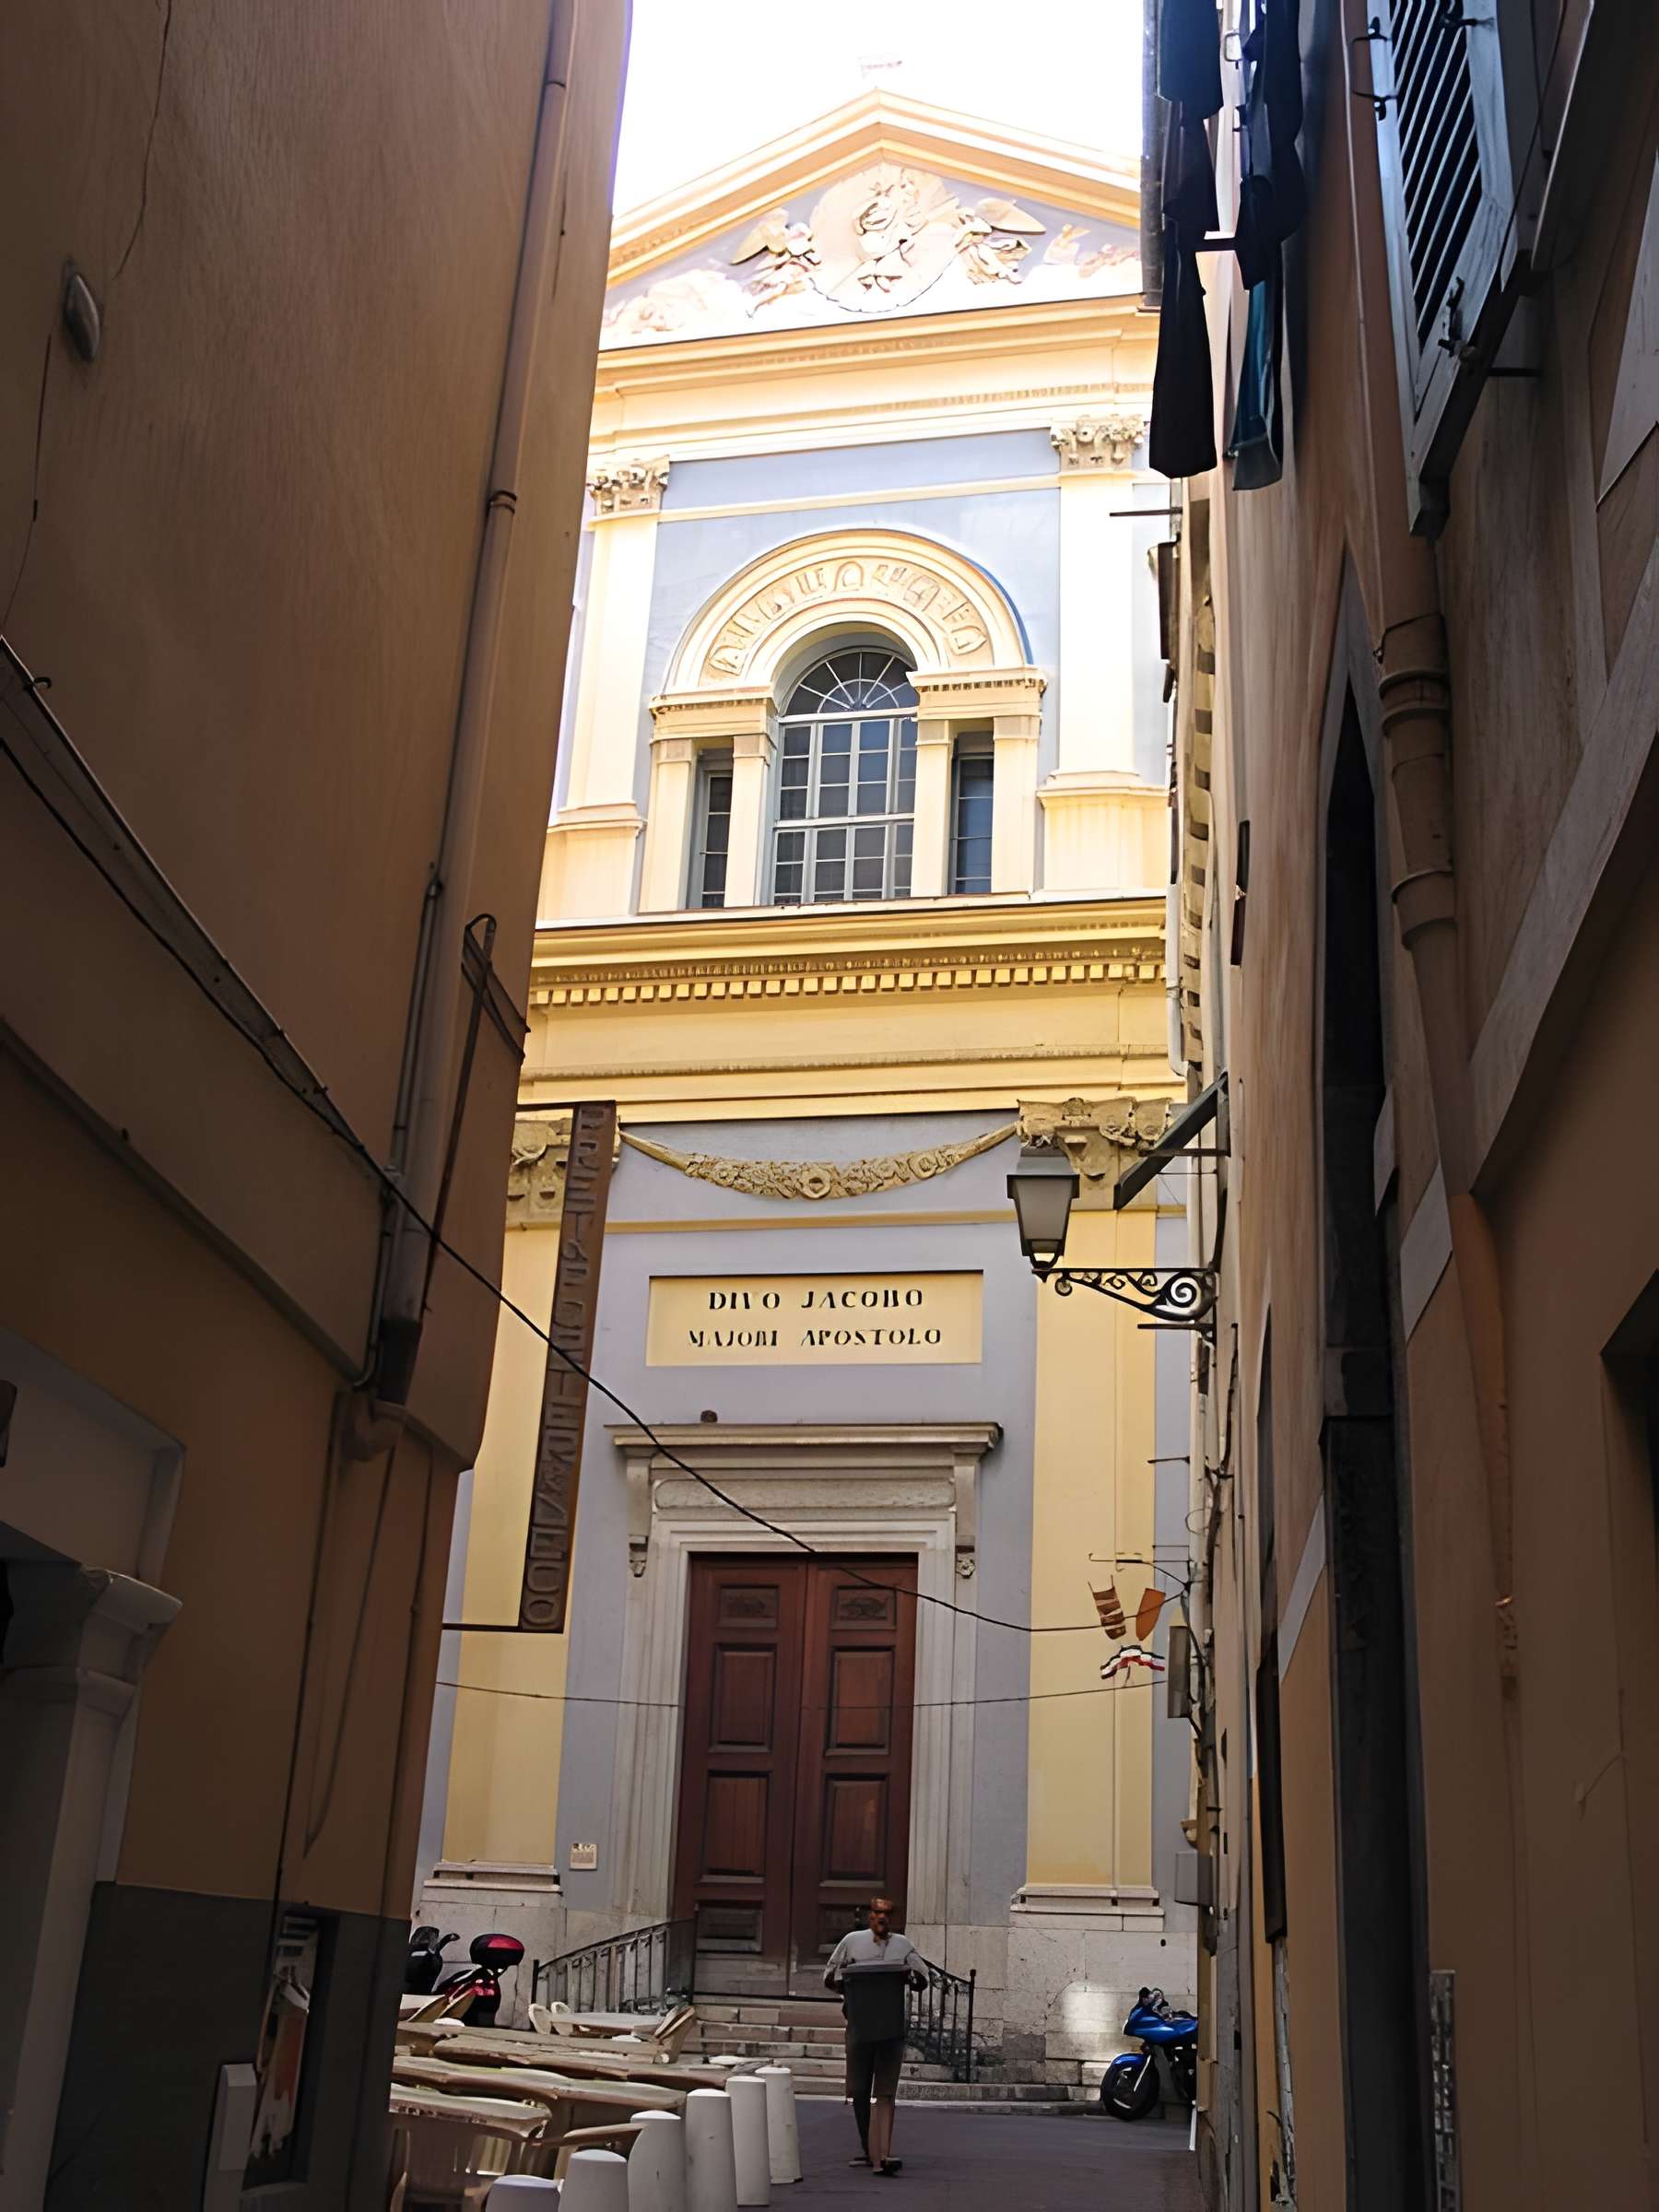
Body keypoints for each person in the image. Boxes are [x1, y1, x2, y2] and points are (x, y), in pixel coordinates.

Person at [823, 1895, 925, 2176]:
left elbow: (921, 1974)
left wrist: (912, 1978)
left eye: (887, 1914)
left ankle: (882, 2152)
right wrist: (850, 1993)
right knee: (858, 2088)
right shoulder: (852, 1942)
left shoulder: (903, 1945)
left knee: (885, 2091)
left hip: (891, 2027)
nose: (882, 1919)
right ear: (869, 1916)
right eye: (877, 1914)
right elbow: (830, 1975)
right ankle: (868, 2148)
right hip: (859, 2024)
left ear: (893, 1919)